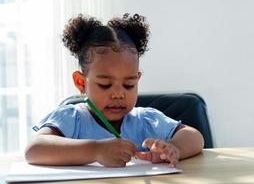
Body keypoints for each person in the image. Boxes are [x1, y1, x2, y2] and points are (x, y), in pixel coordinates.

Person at [25, 13, 204, 168]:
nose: (118, 94)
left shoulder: (145, 120)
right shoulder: (72, 119)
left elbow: (195, 137)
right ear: (81, 83)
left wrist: (173, 148)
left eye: (129, 85)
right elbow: (34, 149)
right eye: (105, 85)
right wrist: (95, 150)